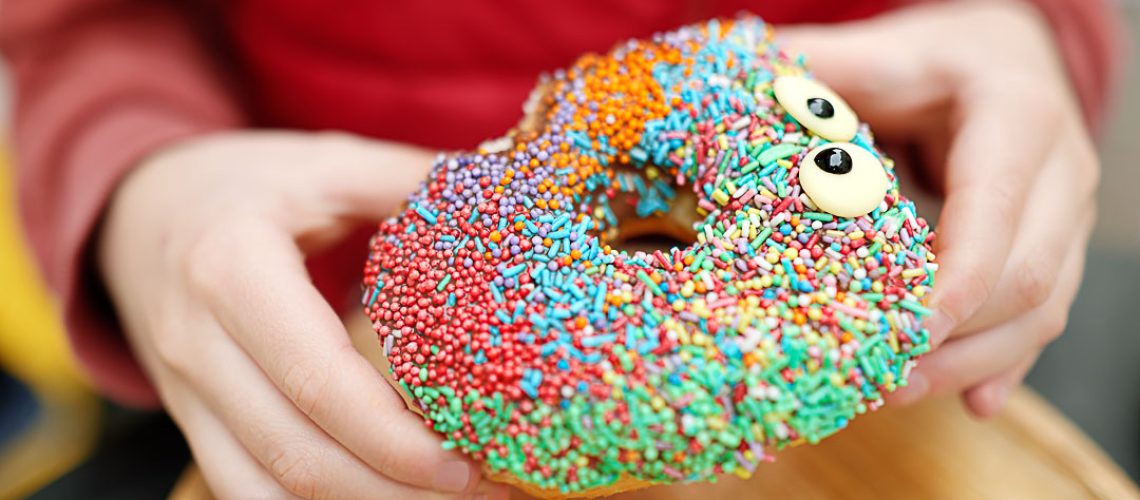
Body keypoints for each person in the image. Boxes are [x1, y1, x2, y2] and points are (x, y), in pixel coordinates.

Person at [0, 0, 1124, 498]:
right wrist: (138, 183)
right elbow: (83, 23)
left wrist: (1027, 27)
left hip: (912, 312)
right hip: (297, 354)